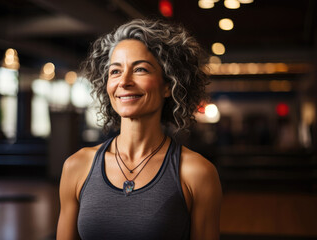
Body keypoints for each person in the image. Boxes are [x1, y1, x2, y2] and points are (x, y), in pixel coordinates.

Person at [57, 19, 222, 240]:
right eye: (115, 71)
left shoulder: (197, 173)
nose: (124, 81)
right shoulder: (76, 167)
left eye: (140, 69)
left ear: (168, 85)